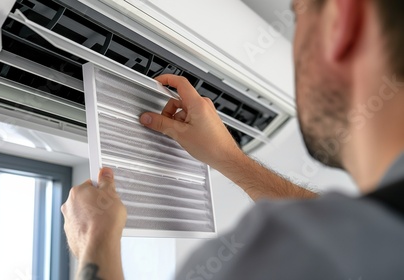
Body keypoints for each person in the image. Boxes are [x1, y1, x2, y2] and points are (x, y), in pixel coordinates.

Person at [60, 0, 404, 279]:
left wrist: (94, 239)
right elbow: (341, 233)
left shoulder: (294, 256)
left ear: (340, 20)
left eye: (298, 13)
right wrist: (231, 159)